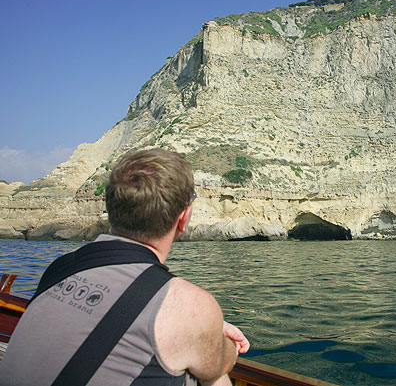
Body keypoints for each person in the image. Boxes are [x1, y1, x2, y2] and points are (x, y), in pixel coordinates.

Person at [0, 148, 249, 386]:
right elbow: (219, 364)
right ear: (183, 219)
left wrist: (200, 327)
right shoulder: (187, 305)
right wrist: (212, 332)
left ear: (111, 209)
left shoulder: (60, 267)